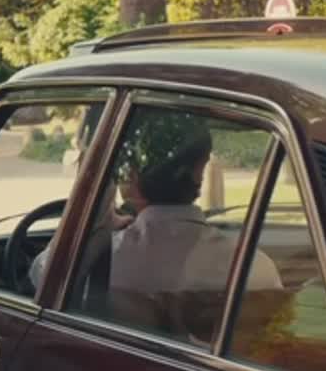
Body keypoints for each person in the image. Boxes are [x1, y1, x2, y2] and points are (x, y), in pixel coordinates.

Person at [28, 111, 282, 339]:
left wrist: (99, 217)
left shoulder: (108, 260)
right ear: (201, 168)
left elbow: (43, 277)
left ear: (129, 175)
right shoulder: (255, 268)